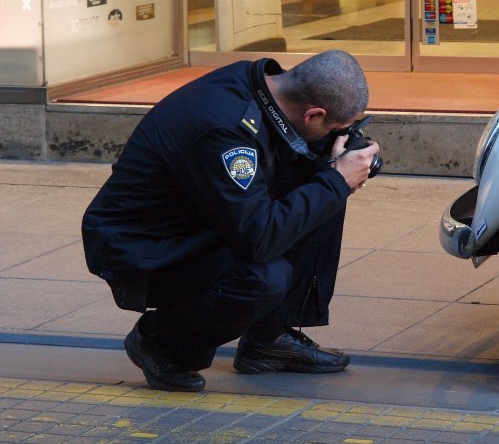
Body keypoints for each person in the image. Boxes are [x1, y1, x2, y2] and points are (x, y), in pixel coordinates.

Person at [81, 50, 380, 392]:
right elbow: (258, 238)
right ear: (313, 114)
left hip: (198, 220)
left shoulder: (262, 87)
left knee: (323, 188)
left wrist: (348, 161)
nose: (343, 135)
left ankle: (269, 339)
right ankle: (161, 342)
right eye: (340, 129)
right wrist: (337, 179)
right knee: (264, 275)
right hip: (142, 244)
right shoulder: (223, 127)